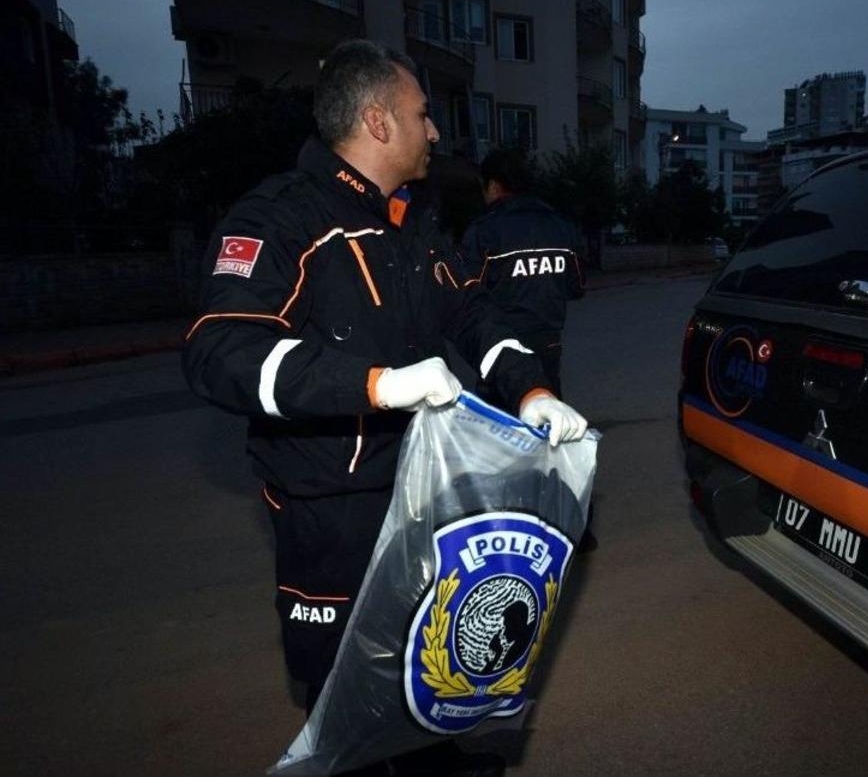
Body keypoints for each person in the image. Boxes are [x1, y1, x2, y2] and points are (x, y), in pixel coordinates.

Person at [182, 39, 586, 775]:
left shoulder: (411, 220)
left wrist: (532, 389)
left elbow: (474, 313)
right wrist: (375, 385)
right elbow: (220, 351)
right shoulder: (280, 218)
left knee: (433, 674)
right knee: (350, 703)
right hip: (330, 511)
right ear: (378, 122)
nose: (434, 130)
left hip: (423, 494)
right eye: (422, 114)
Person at [461, 148, 585, 399]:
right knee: (545, 409)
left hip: (501, 345)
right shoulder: (561, 226)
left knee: (497, 419)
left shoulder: (484, 231)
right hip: (548, 344)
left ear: (493, 186)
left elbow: (467, 295)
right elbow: (576, 286)